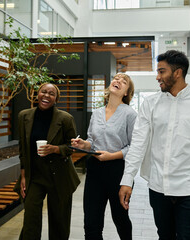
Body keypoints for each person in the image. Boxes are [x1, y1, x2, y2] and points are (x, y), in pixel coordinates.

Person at [119, 50, 190, 239]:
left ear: (177, 72)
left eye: (162, 71)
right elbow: (138, 143)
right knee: (165, 236)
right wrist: (127, 179)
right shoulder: (150, 104)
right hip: (157, 188)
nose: (157, 77)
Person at [71, 73, 136, 240]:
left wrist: (112, 156)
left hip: (118, 171)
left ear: (126, 92)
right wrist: (83, 145)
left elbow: (134, 147)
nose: (118, 81)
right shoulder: (97, 112)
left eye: (124, 82)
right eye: (116, 79)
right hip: (95, 169)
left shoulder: (130, 114)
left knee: (120, 218)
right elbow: (92, 141)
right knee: (91, 222)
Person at [16, 83, 80, 240]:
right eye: (43, 92)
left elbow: (73, 146)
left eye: (51, 93)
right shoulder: (24, 116)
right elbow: (23, 149)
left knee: (59, 222)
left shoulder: (65, 119)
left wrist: (56, 149)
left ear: (56, 98)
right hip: (35, 176)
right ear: (37, 94)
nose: (46, 95)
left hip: (59, 177)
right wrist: (23, 175)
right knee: (30, 219)